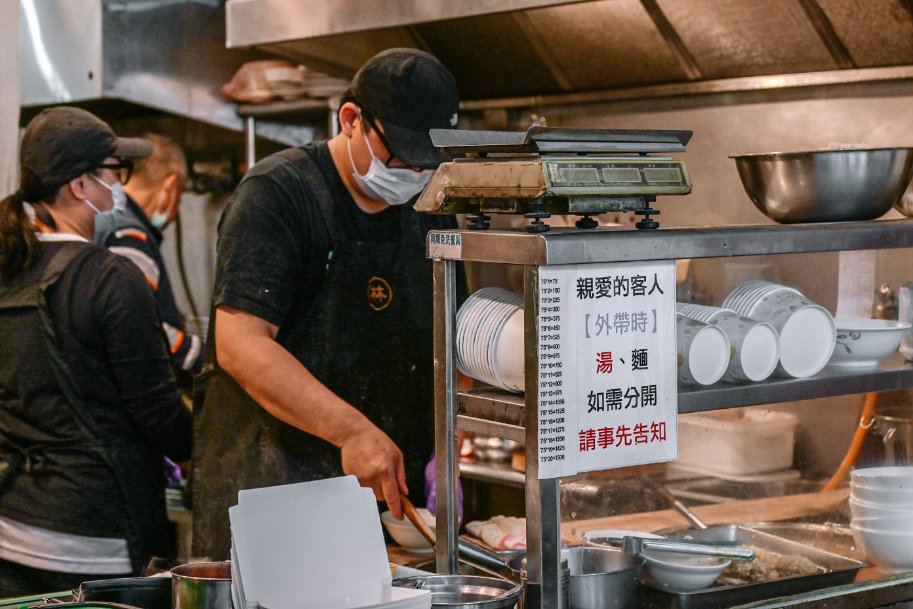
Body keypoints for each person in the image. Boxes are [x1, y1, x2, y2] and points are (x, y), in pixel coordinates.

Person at [192, 48, 464, 560]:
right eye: (400, 158)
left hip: (386, 506)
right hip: (274, 495)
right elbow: (240, 343)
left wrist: (448, 444)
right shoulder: (278, 193)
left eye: (429, 164)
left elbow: (452, 342)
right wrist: (353, 431)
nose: (412, 175)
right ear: (351, 120)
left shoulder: (431, 210)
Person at [0, 107, 193, 595]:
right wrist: (200, 451)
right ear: (81, 185)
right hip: (94, 538)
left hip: (11, 526)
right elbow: (155, 408)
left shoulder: (7, 268)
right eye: (114, 172)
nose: (119, 186)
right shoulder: (109, 277)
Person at [94, 133, 203, 381]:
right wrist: (200, 354)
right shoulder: (130, 236)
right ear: (171, 186)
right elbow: (133, 324)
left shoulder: (110, 223)